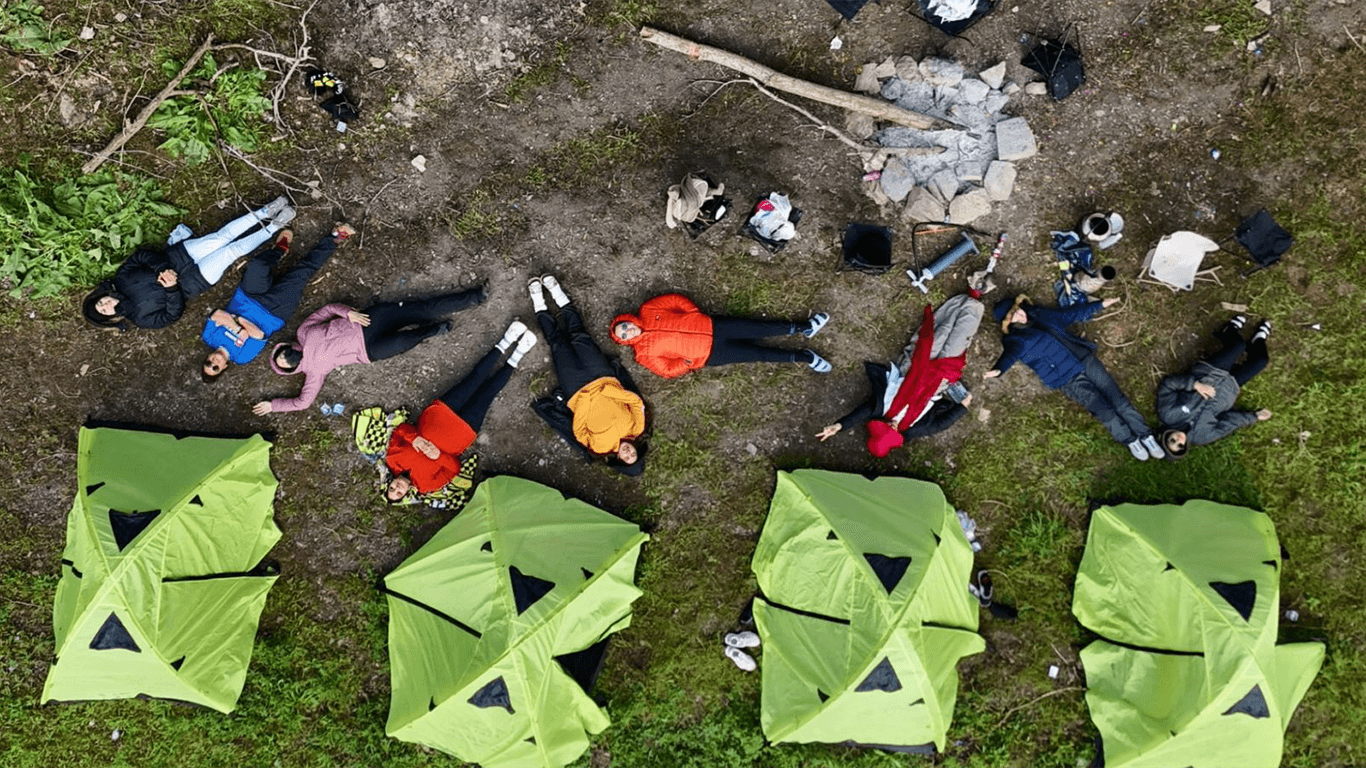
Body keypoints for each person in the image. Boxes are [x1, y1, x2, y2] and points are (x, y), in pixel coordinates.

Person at [252, 284, 489, 415]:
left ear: (285, 347)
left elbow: (326, 310)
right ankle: (433, 331)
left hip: (368, 320)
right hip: (371, 351)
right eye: (284, 364)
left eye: (281, 354)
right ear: (291, 369)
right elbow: (302, 403)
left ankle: (475, 297)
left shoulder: (304, 332)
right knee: (410, 339)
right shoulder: (313, 374)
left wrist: (348, 313)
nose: (285, 358)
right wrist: (273, 406)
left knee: (422, 308)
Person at [984, 294, 1164, 461]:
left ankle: (1146, 435)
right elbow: (1009, 355)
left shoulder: (1039, 314)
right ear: (1007, 323)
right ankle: (1130, 440)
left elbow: (1069, 315)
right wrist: (999, 369)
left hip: (1084, 360)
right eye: (1013, 316)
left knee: (1118, 400)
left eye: (1018, 310)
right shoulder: (1015, 339)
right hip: (1067, 378)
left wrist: (1099, 305)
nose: (1019, 316)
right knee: (1104, 411)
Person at [83, 196, 295, 330]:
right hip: (195, 282)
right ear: (110, 318)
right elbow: (172, 314)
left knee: (221, 237)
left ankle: (265, 211)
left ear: (103, 295)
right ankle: (274, 227)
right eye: (104, 310)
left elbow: (141, 256)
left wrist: (162, 268)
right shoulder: (141, 319)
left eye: (101, 301)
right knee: (232, 252)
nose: (107, 305)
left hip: (179, 255)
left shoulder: (121, 279)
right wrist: (172, 288)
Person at [383, 321, 538, 501]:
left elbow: (400, 430)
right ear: (406, 494)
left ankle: (506, 341)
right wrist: (438, 456)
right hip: (463, 431)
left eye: (392, 487)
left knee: (474, 378)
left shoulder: (392, 459)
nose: (397, 487)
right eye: (399, 493)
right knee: (489, 392)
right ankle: (518, 355)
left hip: (441, 413)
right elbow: (454, 469)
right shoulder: (426, 486)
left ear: (390, 481)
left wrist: (415, 438)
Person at [818, 295, 983, 456]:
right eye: (892, 431)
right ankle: (973, 305)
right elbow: (940, 425)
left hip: (916, 366)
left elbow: (859, 414)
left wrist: (838, 426)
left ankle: (963, 301)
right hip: (938, 380)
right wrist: (962, 407)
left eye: (886, 427)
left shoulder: (880, 408)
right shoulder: (914, 429)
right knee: (958, 342)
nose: (891, 425)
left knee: (940, 333)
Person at [200, 223, 354, 381]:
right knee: (302, 272)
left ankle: (280, 249)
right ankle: (335, 237)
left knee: (257, 265)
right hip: (275, 312)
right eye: (215, 368)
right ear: (224, 368)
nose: (213, 362)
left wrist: (239, 328)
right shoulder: (241, 357)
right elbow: (259, 334)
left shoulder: (209, 337)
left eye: (208, 363)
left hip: (248, 296)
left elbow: (217, 314)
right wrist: (233, 321)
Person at [527, 275, 648, 475]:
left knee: (557, 344)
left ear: (619, 459)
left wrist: (583, 402)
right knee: (579, 335)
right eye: (632, 454)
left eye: (626, 458)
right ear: (637, 450)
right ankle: (558, 294)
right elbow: (636, 402)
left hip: (576, 390)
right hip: (602, 377)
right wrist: (610, 392)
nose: (627, 452)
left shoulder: (599, 448)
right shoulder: (637, 428)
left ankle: (538, 302)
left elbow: (579, 431)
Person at [609, 293, 832, 378]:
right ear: (625, 341)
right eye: (625, 335)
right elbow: (667, 370)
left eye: (625, 326)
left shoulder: (648, 310)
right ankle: (806, 357)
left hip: (714, 327)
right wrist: (687, 361)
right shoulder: (643, 354)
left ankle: (805, 327)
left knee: (759, 328)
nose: (629, 331)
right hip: (711, 354)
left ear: (628, 319)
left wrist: (693, 313)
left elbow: (675, 300)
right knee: (758, 354)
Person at [1156, 316, 1273, 457]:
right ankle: (1257, 341)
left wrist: (1195, 385)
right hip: (1230, 387)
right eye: (1180, 445)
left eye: (1172, 440)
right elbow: (1228, 423)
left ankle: (1227, 330)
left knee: (1238, 345)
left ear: (1166, 435)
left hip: (1209, 373)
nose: (1179, 439)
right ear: (1185, 446)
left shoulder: (1168, 415)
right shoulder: (1203, 437)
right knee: (1261, 360)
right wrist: (1254, 417)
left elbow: (1168, 385)